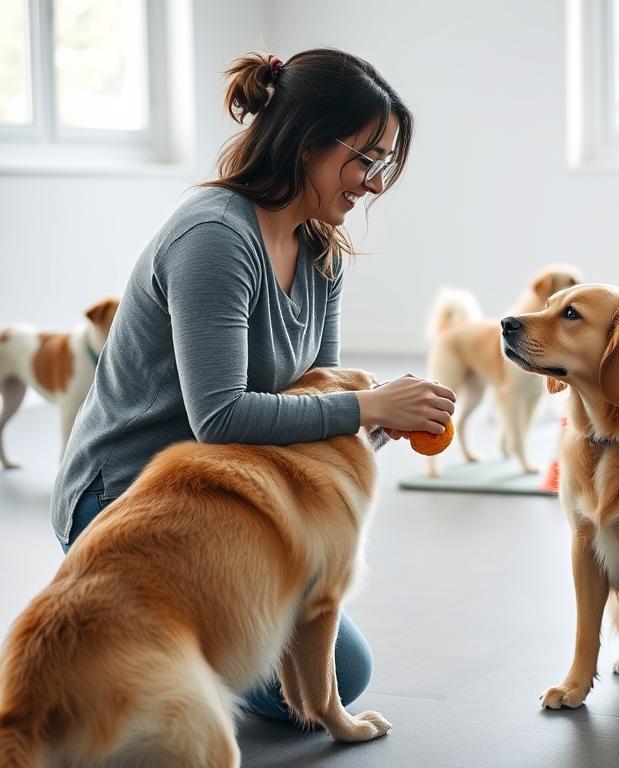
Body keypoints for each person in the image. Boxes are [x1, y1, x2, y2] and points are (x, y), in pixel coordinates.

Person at [50, 48, 456, 722]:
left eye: (384, 165)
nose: (375, 184)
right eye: (367, 159)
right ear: (307, 144)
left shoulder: (322, 250)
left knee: (341, 676)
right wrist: (366, 404)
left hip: (231, 497)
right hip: (128, 499)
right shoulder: (213, 237)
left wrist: (382, 420)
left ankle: (131, 643)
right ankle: (105, 621)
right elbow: (220, 416)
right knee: (265, 678)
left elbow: (313, 403)